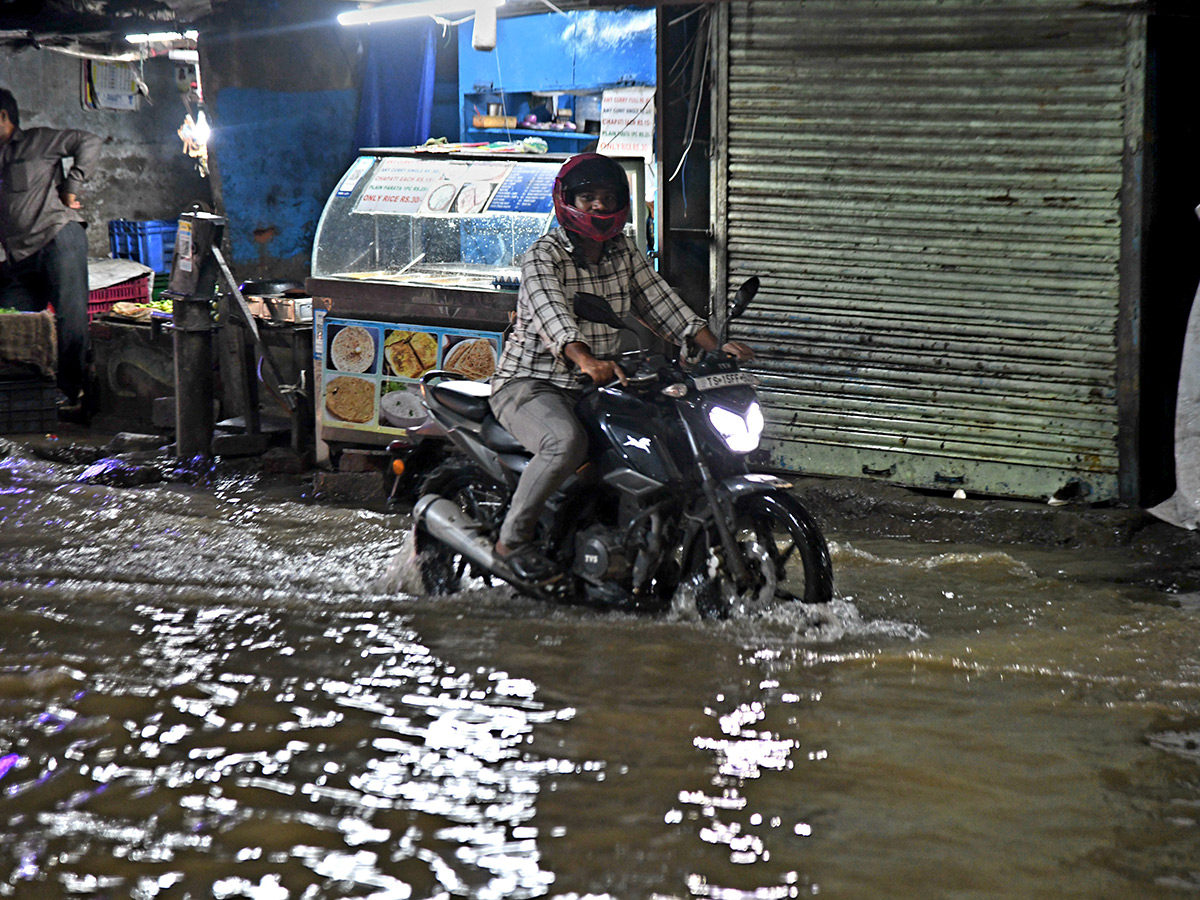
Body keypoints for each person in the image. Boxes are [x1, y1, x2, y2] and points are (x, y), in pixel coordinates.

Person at [489, 152, 754, 584]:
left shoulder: (623, 251)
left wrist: (717, 349)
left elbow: (665, 305)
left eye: (607, 197)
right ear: (567, 200)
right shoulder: (544, 256)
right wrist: (585, 358)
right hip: (533, 383)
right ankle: (511, 543)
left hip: (603, 383)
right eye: (588, 196)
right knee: (564, 443)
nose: (597, 205)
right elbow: (552, 314)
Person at [0, 87, 102, 421]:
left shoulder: (37, 142)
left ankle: (73, 395)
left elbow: (88, 140)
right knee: (14, 321)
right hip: (18, 257)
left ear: (3, 117)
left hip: (58, 239)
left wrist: (72, 184)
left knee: (69, 319)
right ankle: (30, 398)